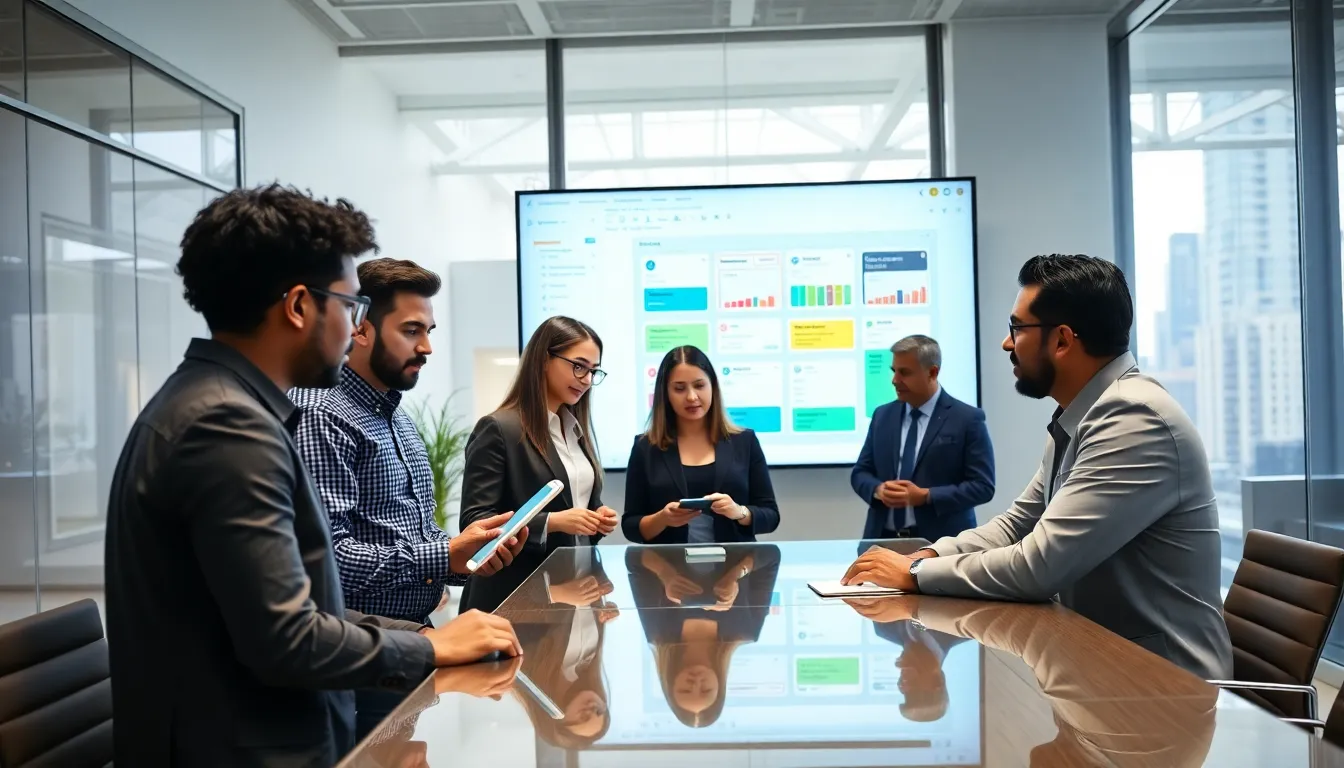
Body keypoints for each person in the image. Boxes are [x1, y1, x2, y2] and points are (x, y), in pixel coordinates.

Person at [104, 184, 522, 768]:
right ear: (301, 306)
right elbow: (287, 637)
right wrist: (427, 645)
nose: (354, 326)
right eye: (351, 306)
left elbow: (293, 606)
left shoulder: (220, 405)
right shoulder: (226, 426)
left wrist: (425, 637)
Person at [841, 254, 1233, 680]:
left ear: (1062, 340)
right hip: (1101, 663)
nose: (1007, 344)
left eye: (1017, 329)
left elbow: (1038, 566)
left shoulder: (1133, 419)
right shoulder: (1083, 415)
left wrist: (915, 573)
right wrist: (931, 553)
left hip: (1161, 688)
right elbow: (1018, 524)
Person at [290, 257, 524, 740]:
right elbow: (327, 560)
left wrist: (465, 557)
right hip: (362, 655)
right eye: (412, 330)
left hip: (409, 644)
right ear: (360, 329)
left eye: (430, 330)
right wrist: (442, 554)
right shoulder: (322, 415)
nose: (428, 346)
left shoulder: (395, 415)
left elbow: (406, 531)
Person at [457, 316, 620, 614]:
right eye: (579, 366)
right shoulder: (498, 428)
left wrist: (597, 518)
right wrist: (553, 521)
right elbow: (475, 520)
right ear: (544, 359)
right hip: (517, 599)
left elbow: (578, 507)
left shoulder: (575, 430)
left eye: (593, 371)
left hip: (577, 592)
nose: (586, 379)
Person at [622, 345, 781, 544]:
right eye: (679, 388)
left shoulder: (744, 441)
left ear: (713, 387)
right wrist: (662, 519)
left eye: (699, 385)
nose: (691, 397)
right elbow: (630, 526)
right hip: (668, 571)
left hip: (734, 570)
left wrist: (739, 511)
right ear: (665, 394)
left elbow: (771, 516)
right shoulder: (645, 447)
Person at [851, 334, 995, 542]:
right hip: (883, 542)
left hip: (943, 547)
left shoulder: (967, 419)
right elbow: (860, 473)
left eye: (904, 373)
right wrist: (878, 490)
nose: (895, 380)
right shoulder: (883, 416)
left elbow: (983, 487)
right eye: (894, 371)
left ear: (932, 372)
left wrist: (926, 496)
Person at [626, 544, 781, 726]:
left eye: (685, 690)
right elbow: (771, 555)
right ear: (719, 687)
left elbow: (633, 556)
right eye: (706, 690)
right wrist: (737, 574)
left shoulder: (658, 633)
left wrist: (666, 574)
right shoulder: (745, 630)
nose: (696, 682)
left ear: (671, 685)